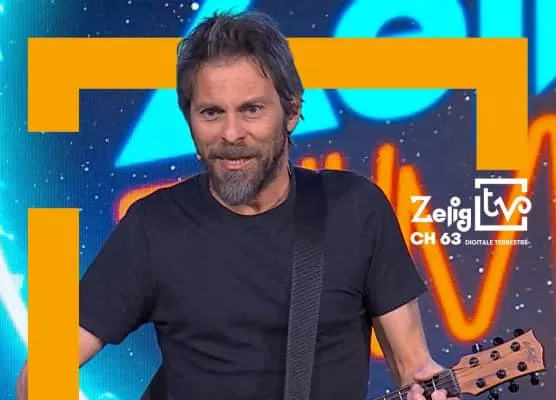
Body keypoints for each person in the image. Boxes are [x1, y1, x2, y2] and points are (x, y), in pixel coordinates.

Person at [16, 10, 458, 400]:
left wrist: (431, 388)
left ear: (291, 112)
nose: (230, 134)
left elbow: (414, 369)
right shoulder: (154, 226)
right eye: (211, 112)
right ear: (189, 119)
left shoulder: (355, 210)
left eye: (251, 110)